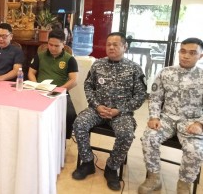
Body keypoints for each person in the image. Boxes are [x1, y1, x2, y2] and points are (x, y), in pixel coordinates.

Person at [72, 32, 147, 191]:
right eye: (108, 44)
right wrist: (97, 105)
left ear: (125, 47)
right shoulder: (98, 65)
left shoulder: (134, 68)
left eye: (116, 44)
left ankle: (112, 168)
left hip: (121, 113)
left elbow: (140, 95)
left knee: (126, 133)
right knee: (79, 124)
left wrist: (119, 110)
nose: (111, 47)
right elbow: (88, 86)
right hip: (97, 109)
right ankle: (87, 163)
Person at [138, 37, 203, 194]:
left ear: (200, 56)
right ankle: (154, 178)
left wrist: (200, 124)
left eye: (192, 53)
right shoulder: (166, 73)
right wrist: (154, 117)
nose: (186, 56)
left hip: (191, 122)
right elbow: (155, 98)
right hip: (166, 119)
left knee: (195, 150)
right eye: (183, 51)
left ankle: (184, 186)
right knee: (149, 137)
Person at [28, 29, 78, 139]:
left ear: (63, 45)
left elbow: (74, 80)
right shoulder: (40, 56)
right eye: (50, 45)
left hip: (60, 92)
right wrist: (36, 85)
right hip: (40, 91)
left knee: (69, 114)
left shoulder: (70, 59)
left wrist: (59, 90)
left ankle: (62, 139)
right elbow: (31, 72)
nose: (53, 48)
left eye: (56, 46)